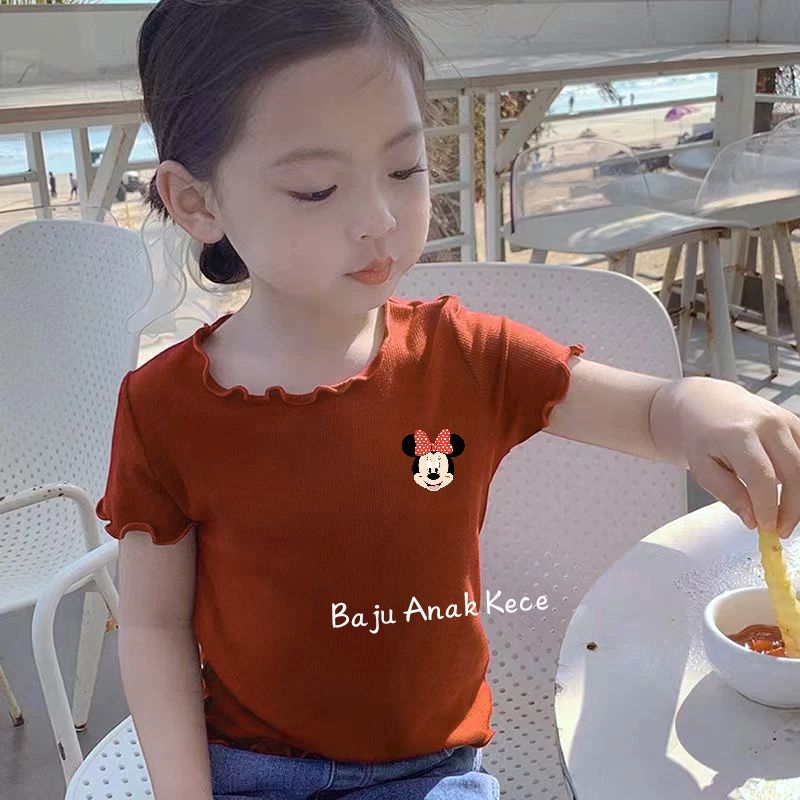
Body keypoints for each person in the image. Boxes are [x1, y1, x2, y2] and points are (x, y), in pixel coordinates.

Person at [95, 2, 800, 799]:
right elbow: (153, 626)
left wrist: (701, 403)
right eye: (316, 189)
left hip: (430, 771)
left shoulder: (465, 357)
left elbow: (646, 412)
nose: (379, 219)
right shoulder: (165, 407)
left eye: (404, 168)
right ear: (196, 203)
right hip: (249, 769)